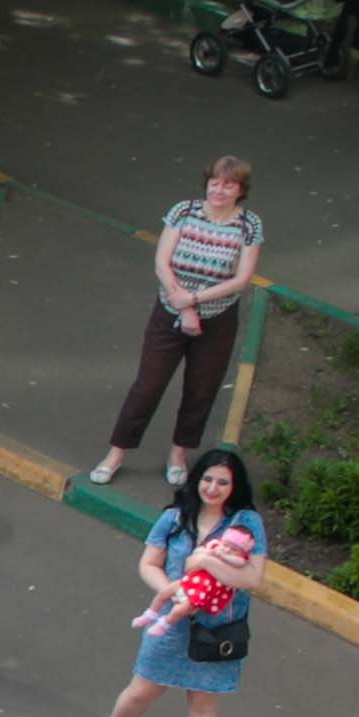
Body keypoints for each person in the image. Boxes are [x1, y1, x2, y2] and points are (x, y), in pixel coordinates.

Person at [80, 445, 267, 717]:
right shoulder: (175, 517)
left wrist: (205, 562)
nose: (212, 488)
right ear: (196, 479)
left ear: (235, 486)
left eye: (223, 482)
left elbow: (252, 578)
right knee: (141, 690)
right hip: (172, 620)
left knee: (203, 702)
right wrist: (175, 590)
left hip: (219, 627)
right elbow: (149, 564)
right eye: (207, 479)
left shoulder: (246, 522)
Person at [89, 155, 265, 492]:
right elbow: (162, 261)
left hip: (217, 319)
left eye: (228, 185)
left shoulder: (249, 225)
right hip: (169, 311)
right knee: (148, 385)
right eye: (214, 182)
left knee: (201, 388)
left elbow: (242, 279)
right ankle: (116, 453)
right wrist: (182, 303)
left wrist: (194, 300)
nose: (219, 190)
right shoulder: (184, 211)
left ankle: (178, 454)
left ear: (240, 190)